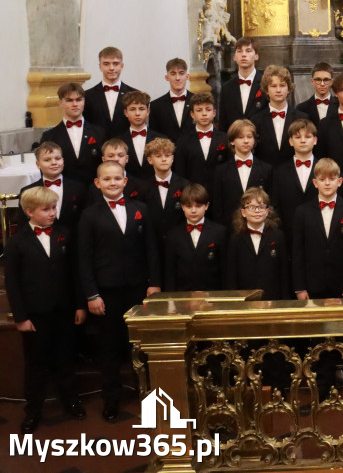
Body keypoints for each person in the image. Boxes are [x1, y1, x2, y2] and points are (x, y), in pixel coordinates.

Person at [79, 160, 161, 420]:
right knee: (109, 347)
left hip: (138, 289)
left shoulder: (141, 210)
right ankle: (111, 399)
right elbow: (84, 258)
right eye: (107, 179)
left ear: (125, 181)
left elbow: (152, 249)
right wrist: (92, 294)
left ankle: (148, 397)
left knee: (141, 345)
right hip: (106, 291)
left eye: (117, 178)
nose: (112, 183)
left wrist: (154, 283)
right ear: (97, 183)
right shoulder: (89, 215)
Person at [5, 186, 86, 433]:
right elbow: (13, 283)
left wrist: (80, 305)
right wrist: (21, 318)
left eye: (54, 208)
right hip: (35, 313)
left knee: (65, 359)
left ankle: (71, 400)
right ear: (29, 211)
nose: (52, 213)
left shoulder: (64, 234)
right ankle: (33, 410)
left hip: (63, 309)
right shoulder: (17, 241)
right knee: (36, 363)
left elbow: (76, 273)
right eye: (46, 209)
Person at [292, 158, 343, 300]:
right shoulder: (302, 212)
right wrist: (299, 288)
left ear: (339, 181)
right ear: (315, 183)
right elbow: (297, 253)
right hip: (313, 286)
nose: (327, 183)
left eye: (331, 179)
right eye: (322, 179)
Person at [223, 187, 289, 300]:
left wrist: (285, 302)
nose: (257, 211)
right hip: (244, 299)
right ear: (243, 212)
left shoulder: (278, 236)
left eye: (261, 207)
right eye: (252, 207)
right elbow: (231, 276)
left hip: (273, 298)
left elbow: (284, 273)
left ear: (267, 211)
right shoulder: (235, 239)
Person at [162, 184, 227, 293]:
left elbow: (225, 269)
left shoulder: (220, 232)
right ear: (182, 207)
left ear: (206, 206)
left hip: (213, 294)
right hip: (182, 295)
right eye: (188, 206)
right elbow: (170, 272)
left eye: (198, 206)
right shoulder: (173, 235)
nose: (193, 210)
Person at [40, 82, 104, 184]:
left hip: (94, 192)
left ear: (84, 101)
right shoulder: (49, 136)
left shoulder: (100, 133)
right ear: (60, 103)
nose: (75, 104)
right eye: (69, 100)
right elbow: (45, 170)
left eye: (79, 99)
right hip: (65, 193)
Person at [210, 119, 273, 222]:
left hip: (259, 225)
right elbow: (217, 206)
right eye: (240, 137)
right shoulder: (221, 171)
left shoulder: (266, 169)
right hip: (229, 227)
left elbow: (269, 203)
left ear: (254, 140)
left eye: (249, 137)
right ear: (232, 141)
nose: (246, 141)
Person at [19, 142, 86, 232]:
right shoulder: (27, 191)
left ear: (63, 161)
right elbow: (23, 223)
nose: (54, 162)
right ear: (38, 164)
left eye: (58, 158)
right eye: (47, 160)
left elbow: (85, 220)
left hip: (74, 241)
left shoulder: (80, 188)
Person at [252, 65, 309, 167]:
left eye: (282, 85)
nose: (278, 90)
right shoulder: (256, 120)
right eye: (273, 86)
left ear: (288, 89)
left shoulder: (302, 118)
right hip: (265, 177)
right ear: (266, 90)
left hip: (293, 175)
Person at [270, 119, 320, 236]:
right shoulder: (279, 172)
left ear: (315, 140)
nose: (303, 141)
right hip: (288, 232)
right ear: (291, 141)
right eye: (297, 137)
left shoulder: (325, 170)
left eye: (307, 137)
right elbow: (275, 206)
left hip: (319, 232)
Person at [174, 92, 231, 189]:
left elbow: (229, 170)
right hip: (193, 196)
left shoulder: (226, 139)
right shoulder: (182, 142)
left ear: (214, 113)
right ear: (192, 114)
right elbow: (180, 174)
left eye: (208, 109)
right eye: (199, 110)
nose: (204, 113)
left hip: (219, 193)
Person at [83, 46, 138, 139]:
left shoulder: (135, 94)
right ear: (100, 67)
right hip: (97, 149)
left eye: (115, 64)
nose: (111, 68)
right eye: (106, 64)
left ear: (122, 66)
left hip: (126, 148)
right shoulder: (87, 96)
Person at [143, 138, 188, 242]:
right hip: (153, 241)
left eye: (167, 155)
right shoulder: (144, 187)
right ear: (150, 160)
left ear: (172, 158)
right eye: (158, 156)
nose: (164, 159)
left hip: (179, 241)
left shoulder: (185, 185)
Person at [117, 91, 169, 179]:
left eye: (141, 109)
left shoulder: (162, 139)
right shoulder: (118, 141)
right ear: (126, 113)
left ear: (148, 112)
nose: (137, 113)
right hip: (128, 188)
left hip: (154, 188)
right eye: (132, 109)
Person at [219, 38, 265, 131]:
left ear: (256, 56)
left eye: (248, 51)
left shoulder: (266, 84)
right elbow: (223, 124)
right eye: (239, 51)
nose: (243, 55)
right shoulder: (226, 88)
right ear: (234, 57)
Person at [149, 58, 194, 142]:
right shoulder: (156, 106)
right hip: (166, 153)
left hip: (193, 154)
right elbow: (154, 137)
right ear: (167, 77)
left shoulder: (197, 102)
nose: (177, 78)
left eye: (181, 73)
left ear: (187, 76)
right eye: (173, 74)